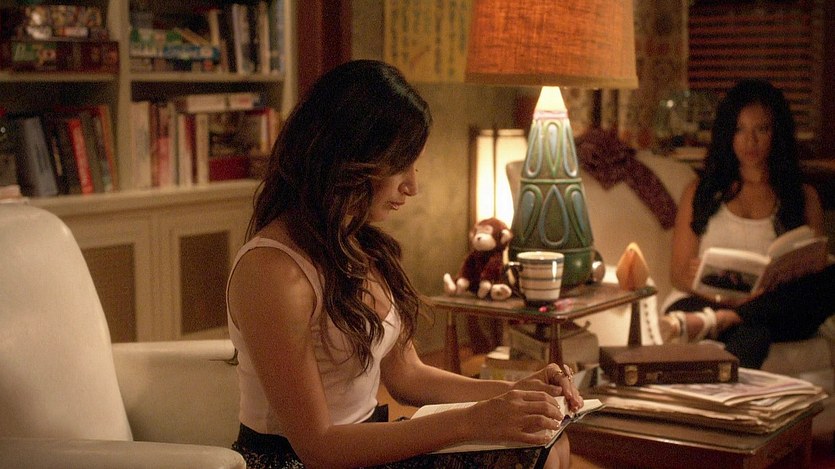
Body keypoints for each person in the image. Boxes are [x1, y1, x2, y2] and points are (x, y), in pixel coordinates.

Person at [225, 59, 583, 469]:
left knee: (549, 441)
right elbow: (318, 447)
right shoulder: (273, 271)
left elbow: (408, 375)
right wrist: (473, 420)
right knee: (534, 456)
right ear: (350, 157)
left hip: (363, 447)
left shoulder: (359, 245)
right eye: (401, 166)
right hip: (298, 462)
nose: (413, 186)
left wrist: (517, 392)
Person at [661, 78, 835, 368]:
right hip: (705, 302)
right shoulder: (700, 191)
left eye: (761, 129)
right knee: (757, 331)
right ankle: (735, 317)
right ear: (727, 134)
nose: (750, 142)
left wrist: (803, 269)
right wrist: (724, 297)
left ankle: (727, 320)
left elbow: (814, 271)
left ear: (776, 133)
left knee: (829, 279)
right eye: (739, 129)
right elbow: (678, 274)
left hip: (774, 306)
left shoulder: (803, 196)